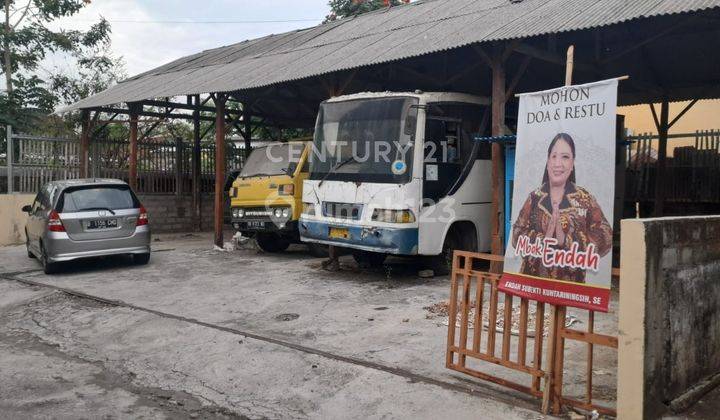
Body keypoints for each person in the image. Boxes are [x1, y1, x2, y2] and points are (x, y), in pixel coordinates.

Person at [511, 133, 612, 283]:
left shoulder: (585, 199)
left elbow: (605, 237)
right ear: (547, 161)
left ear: (572, 164)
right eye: (554, 156)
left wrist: (565, 241)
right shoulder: (534, 197)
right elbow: (516, 233)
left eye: (565, 157)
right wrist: (543, 239)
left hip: (570, 287)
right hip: (534, 284)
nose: (558, 163)